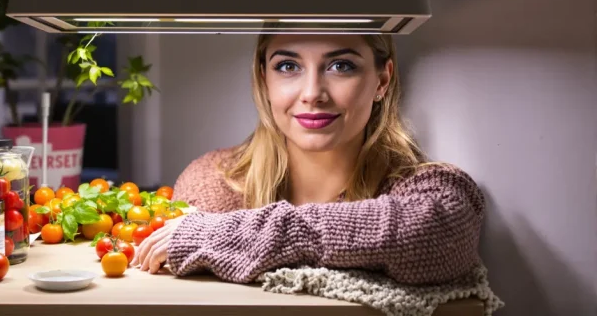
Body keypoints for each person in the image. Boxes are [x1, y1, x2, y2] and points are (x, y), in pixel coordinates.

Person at [132, 33, 485, 286]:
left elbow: (438, 236)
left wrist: (231, 235)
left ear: (382, 80)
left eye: (341, 66)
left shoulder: (426, 190)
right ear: (263, 78)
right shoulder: (213, 180)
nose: (313, 93)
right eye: (288, 66)